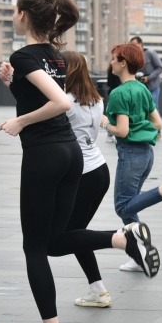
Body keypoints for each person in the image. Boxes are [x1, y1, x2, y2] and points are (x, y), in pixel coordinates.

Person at [0, 0, 159, 323]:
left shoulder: (26, 54)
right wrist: (13, 83)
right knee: (54, 242)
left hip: (45, 155)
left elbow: (61, 103)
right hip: (71, 154)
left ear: (23, 16)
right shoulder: (51, 54)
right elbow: (44, 97)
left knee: (34, 249)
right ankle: (123, 239)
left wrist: (18, 122)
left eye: (14, 10)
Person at [105, 42, 162, 275]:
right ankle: (138, 255)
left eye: (114, 58)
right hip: (146, 154)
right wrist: (141, 127)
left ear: (123, 62)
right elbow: (158, 123)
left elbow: (123, 131)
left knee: (122, 205)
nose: (111, 62)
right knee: (129, 209)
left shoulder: (118, 93)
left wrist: (105, 123)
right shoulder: (143, 90)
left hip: (130, 153)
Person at [62, 51, 114, 308]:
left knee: (70, 234)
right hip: (99, 169)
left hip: (82, 174)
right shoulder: (96, 100)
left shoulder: (65, 102)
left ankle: (124, 238)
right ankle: (98, 289)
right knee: (76, 231)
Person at [130, 36, 162, 111]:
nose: (133, 47)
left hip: (152, 86)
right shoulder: (133, 57)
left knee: (153, 108)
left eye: (135, 44)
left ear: (141, 44)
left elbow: (160, 67)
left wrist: (149, 78)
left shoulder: (150, 53)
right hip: (140, 87)